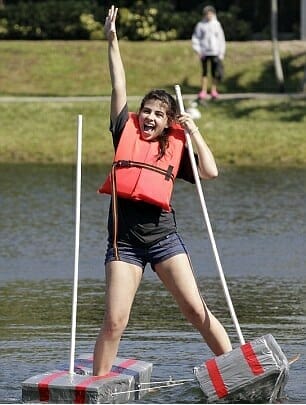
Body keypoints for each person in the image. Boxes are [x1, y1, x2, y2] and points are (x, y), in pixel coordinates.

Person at [93, 5, 232, 376]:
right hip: (125, 245)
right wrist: (112, 40)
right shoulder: (125, 131)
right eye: (147, 111)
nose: (151, 117)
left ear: (169, 121)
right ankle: (97, 386)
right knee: (115, 320)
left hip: (164, 241)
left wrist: (195, 132)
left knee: (195, 310)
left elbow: (211, 172)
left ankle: (237, 368)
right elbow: (118, 83)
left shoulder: (174, 148)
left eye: (159, 113)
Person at [192, 5, 226, 100]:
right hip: (204, 52)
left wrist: (221, 52)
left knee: (214, 72)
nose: (209, 16)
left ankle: (213, 90)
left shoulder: (216, 25)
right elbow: (196, 38)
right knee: (204, 72)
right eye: (207, 14)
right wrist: (198, 50)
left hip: (215, 52)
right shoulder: (200, 25)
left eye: (210, 14)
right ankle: (203, 90)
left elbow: (221, 39)